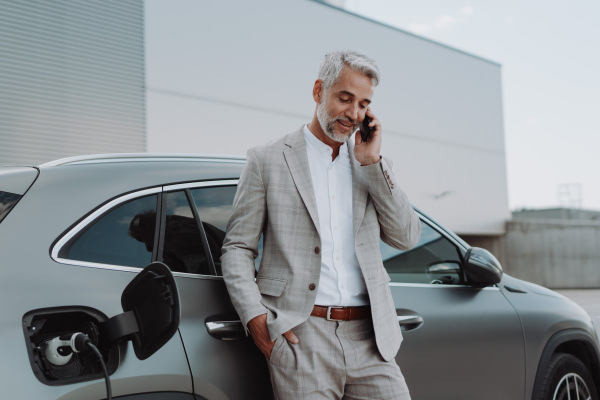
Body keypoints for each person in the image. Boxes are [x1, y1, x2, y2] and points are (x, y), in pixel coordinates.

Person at [221, 50, 421, 399]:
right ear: (318, 91)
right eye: (345, 99)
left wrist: (373, 164)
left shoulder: (372, 162)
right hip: (302, 335)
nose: (354, 114)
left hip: (371, 339)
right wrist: (255, 318)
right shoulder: (267, 158)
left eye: (363, 104)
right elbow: (238, 247)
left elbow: (406, 237)